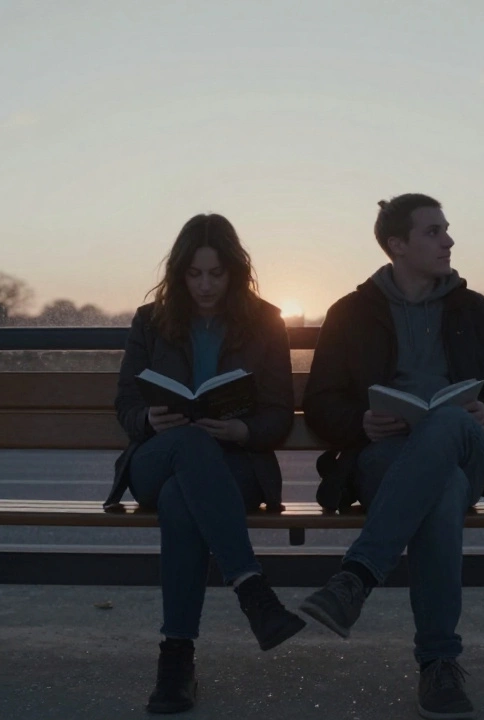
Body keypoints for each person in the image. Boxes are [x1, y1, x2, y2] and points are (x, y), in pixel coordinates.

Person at [299, 194, 484, 719]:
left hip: (466, 451)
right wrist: (360, 420)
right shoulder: (351, 313)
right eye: (433, 232)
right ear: (397, 245)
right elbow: (320, 404)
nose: (448, 240)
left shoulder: (477, 312)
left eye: (446, 230)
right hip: (386, 457)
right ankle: (438, 665)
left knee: (447, 425)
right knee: (441, 492)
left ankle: (355, 578)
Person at [109, 213, 306, 714]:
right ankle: (252, 589)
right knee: (188, 449)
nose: (204, 285)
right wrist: (149, 419)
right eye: (194, 274)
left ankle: (176, 660)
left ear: (234, 272)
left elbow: (280, 412)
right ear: (179, 273)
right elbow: (126, 404)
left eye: (215, 274)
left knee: (182, 499)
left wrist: (244, 429)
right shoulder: (150, 321)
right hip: (158, 457)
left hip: (233, 463)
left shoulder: (265, 321)